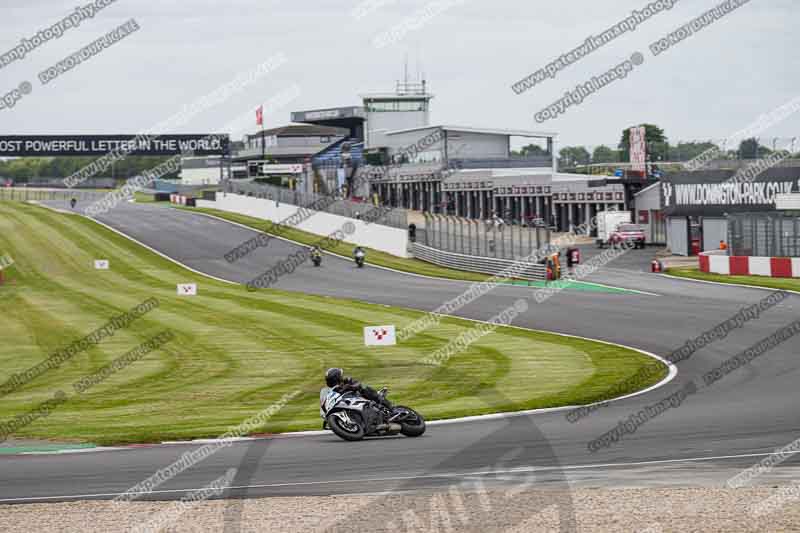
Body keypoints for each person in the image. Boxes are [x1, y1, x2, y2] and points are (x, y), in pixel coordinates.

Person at [325, 368, 393, 409]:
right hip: (348, 405)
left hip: (360, 399)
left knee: (364, 388)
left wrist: (351, 387)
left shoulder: (347, 381)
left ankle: (389, 406)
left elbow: (358, 384)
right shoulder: (332, 391)